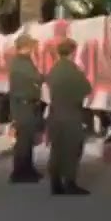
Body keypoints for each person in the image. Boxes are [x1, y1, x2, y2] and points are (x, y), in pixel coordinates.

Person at [46, 39, 92, 196]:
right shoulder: (73, 70)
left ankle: (55, 182)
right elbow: (86, 88)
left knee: (57, 148)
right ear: (73, 52)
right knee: (72, 149)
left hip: (55, 113)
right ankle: (70, 183)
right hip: (71, 113)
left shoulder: (54, 68)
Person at [9, 34, 45, 183]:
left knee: (27, 139)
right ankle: (20, 172)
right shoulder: (21, 62)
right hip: (24, 105)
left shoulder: (23, 61)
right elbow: (36, 77)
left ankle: (28, 169)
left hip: (26, 104)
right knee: (23, 141)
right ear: (26, 47)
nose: (34, 48)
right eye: (32, 45)